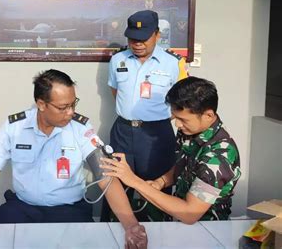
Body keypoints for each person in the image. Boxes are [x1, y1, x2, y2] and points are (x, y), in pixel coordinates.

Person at [0, 69, 147, 248]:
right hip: (23, 207)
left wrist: (131, 225)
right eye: (63, 107)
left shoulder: (81, 129)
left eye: (73, 104)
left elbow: (106, 178)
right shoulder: (14, 127)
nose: (70, 113)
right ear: (41, 104)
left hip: (68, 211)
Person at [100, 77, 241, 223]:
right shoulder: (190, 131)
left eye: (183, 119)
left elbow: (190, 214)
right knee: (120, 216)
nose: (177, 124)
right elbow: (183, 164)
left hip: (204, 227)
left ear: (208, 115)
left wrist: (134, 181)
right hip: (177, 215)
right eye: (175, 117)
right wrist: (160, 182)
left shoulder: (219, 155)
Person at [103, 10, 188, 220]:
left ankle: (155, 232)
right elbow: (116, 93)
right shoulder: (117, 60)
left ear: (157, 35)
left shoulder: (174, 63)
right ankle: (113, 230)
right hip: (122, 132)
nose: (137, 43)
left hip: (156, 135)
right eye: (132, 38)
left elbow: (182, 101)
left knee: (154, 188)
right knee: (116, 184)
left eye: (143, 38)